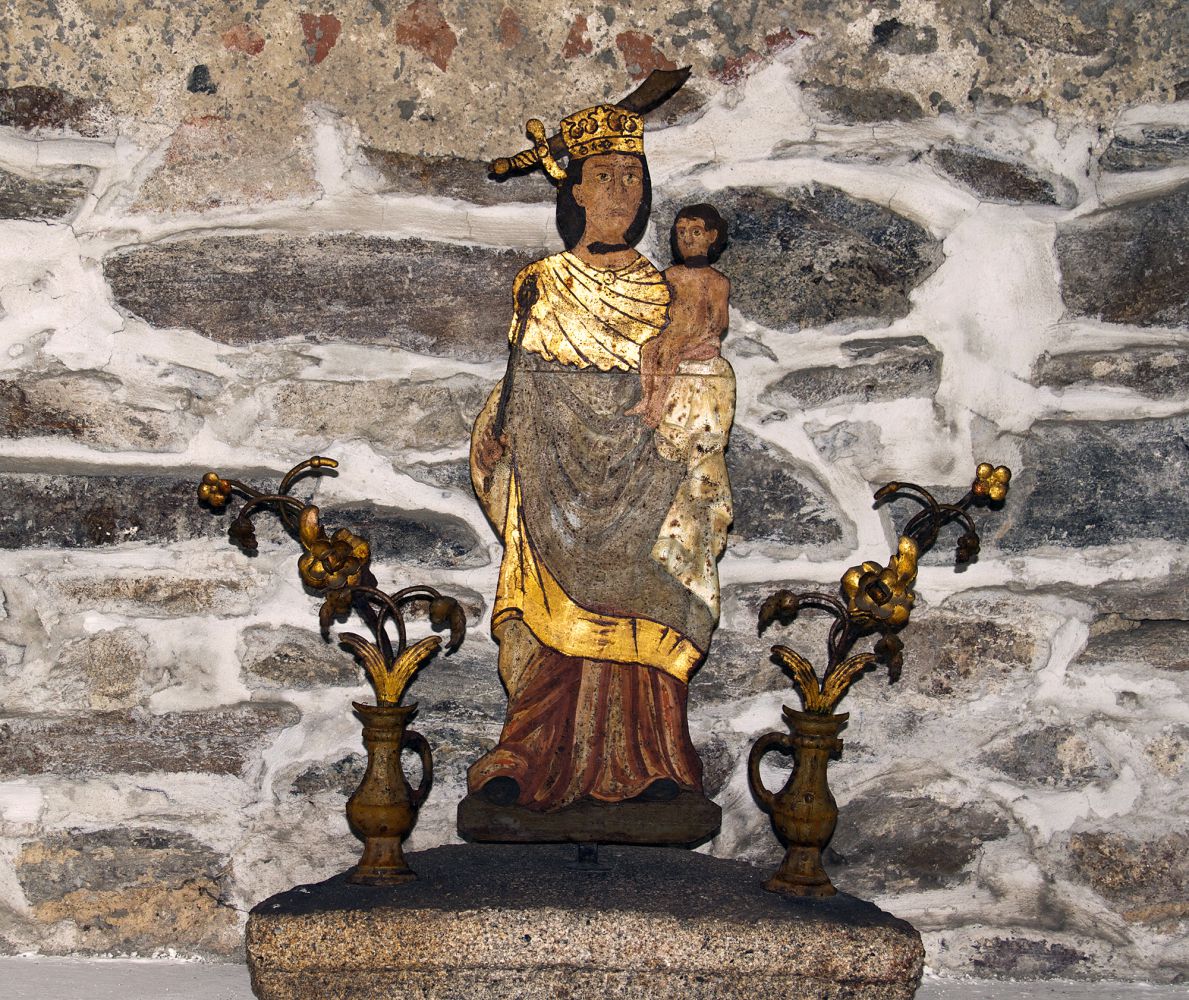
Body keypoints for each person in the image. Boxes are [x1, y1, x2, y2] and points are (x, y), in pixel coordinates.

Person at [467, 104, 735, 817]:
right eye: (605, 176)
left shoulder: (664, 289)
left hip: (645, 473)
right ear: (576, 189)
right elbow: (520, 375)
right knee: (551, 613)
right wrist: (495, 431)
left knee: (647, 600)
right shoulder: (542, 280)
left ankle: (654, 759)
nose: (620, 190)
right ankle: (529, 753)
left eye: (632, 177)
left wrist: (679, 429)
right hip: (552, 476)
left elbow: (700, 371)